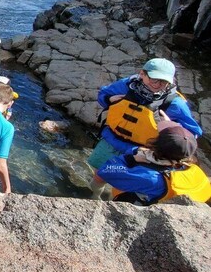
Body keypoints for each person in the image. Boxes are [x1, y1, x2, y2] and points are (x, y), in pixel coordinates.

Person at [87, 58, 202, 196]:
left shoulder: (175, 104)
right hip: (110, 140)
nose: (158, 85)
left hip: (141, 152)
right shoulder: (127, 85)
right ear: (142, 74)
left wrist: (171, 127)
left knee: (122, 181)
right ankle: (95, 196)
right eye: (155, 79)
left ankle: (114, 197)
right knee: (100, 173)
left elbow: (192, 134)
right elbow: (103, 94)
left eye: (164, 81)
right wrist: (109, 99)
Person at [97, 115, 211, 205]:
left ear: (156, 144)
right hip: (164, 201)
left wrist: (130, 159)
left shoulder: (150, 177)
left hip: (135, 207)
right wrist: (172, 128)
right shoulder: (193, 169)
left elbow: (106, 171)